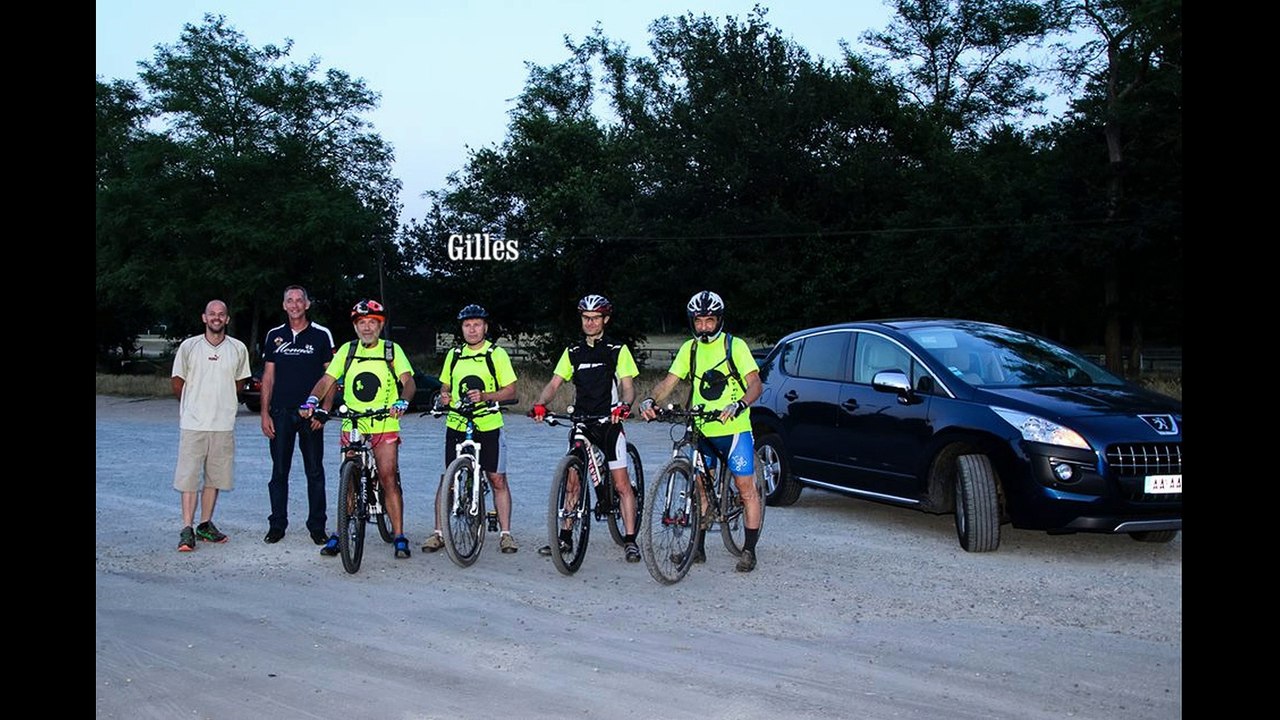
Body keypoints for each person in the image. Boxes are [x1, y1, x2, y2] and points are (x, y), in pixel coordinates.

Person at [638, 290, 764, 572]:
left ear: (719, 319)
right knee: (699, 489)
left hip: (733, 429)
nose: (704, 327)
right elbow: (669, 382)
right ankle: (698, 549)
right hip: (701, 427)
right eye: (699, 321)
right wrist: (650, 400)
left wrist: (740, 403)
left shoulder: (735, 346)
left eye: (709, 320)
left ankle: (749, 550)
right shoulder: (689, 349)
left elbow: (755, 384)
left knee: (746, 490)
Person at [299, 299, 416, 559]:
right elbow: (326, 380)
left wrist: (402, 401)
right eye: (362, 323)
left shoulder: (391, 350)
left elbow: (408, 382)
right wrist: (312, 400)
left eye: (372, 323)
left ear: (380, 325)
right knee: (348, 479)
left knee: (387, 477)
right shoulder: (347, 350)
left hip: (384, 422)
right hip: (353, 422)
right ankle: (341, 533)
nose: (366, 328)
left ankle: (399, 535)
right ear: (355, 326)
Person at [529, 294, 642, 562]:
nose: (590, 323)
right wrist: (540, 404)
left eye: (595, 318)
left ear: (605, 319)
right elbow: (554, 383)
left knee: (622, 483)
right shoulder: (573, 352)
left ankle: (629, 539)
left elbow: (628, 386)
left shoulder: (617, 349)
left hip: (609, 423)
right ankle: (565, 538)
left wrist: (624, 406)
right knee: (571, 481)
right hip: (582, 421)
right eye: (585, 318)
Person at [421, 304, 521, 554]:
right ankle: (439, 532)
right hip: (456, 422)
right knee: (448, 479)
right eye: (467, 325)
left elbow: (511, 391)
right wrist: (444, 396)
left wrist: (486, 395)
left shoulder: (496, 354)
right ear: (462, 328)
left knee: (497, 478)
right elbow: (445, 385)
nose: (472, 329)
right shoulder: (454, 354)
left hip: (487, 423)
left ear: (485, 327)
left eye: (477, 324)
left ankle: (506, 534)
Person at [172, 299, 252, 552]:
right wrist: (192, 405)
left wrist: (224, 403)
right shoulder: (189, 346)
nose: (216, 318)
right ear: (204, 318)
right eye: (212, 314)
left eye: (221, 314)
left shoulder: (238, 349)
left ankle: (204, 524)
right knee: (189, 478)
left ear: (227, 319)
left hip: (223, 425)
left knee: (214, 478)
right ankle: (187, 528)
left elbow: (240, 383)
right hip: (194, 424)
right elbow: (177, 382)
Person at [260, 285, 337, 547]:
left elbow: (331, 377)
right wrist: (264, 414)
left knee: (314, 472)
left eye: (299, 300)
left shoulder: (321, 335)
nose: (294, 305)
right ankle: (277, 525)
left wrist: (324, 411)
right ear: (284, 305)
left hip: (310, 414)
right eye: (289, 300)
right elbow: (268, 378)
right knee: (279, 472)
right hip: (281, 413)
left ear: (307, 304)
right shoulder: (274, 336)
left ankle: (317, 527)